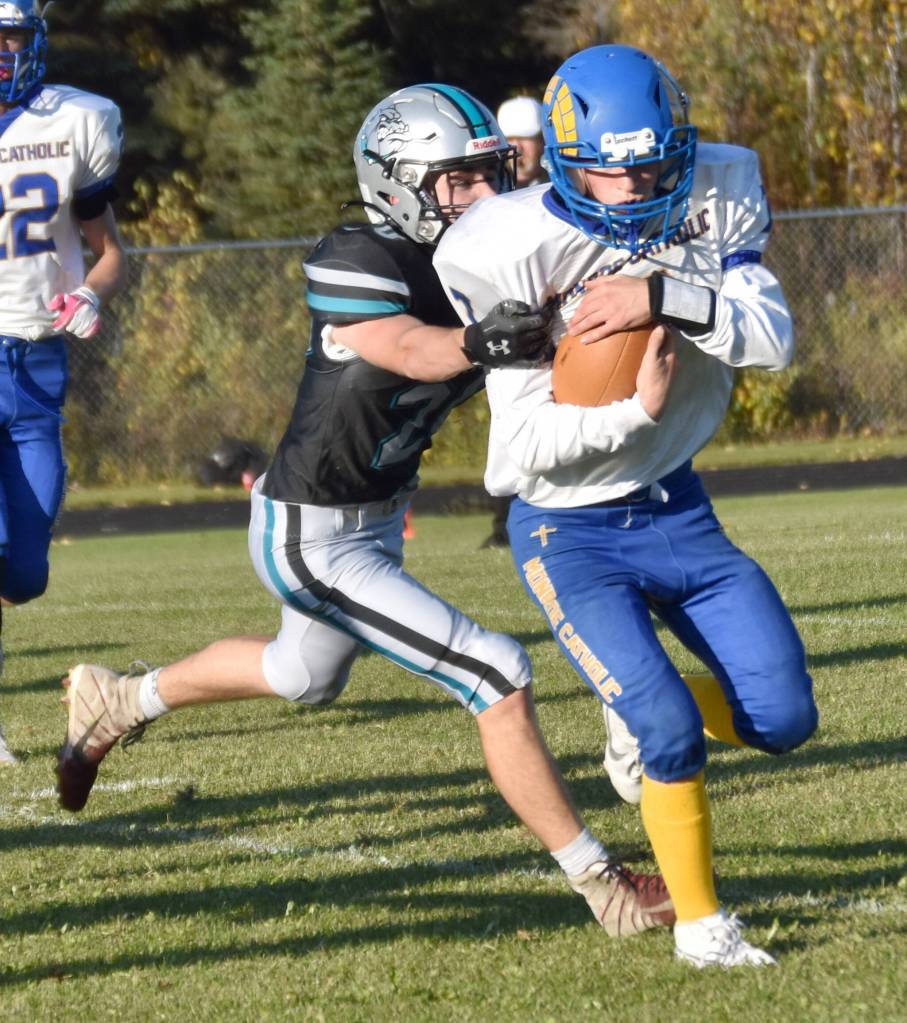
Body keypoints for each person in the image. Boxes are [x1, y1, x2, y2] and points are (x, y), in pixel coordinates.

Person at [56, 83, 675, 939]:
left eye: (489, 174)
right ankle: (604, 888)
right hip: (310, 531)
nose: (482, 198)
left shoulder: (489, 252)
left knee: (301, 674)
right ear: (396, 183)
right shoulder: (358, 253)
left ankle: (120, 701)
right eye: (456, 181)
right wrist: (478, 342)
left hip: (377, 515)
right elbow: (407, 348)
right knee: (496, 673)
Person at [434, 44, 818, 968]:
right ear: (566, 161)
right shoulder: (500, 245)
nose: (638, 183)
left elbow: (770, 337)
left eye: (653, 161)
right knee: (670, 731)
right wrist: (629, 411)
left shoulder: (719, 185)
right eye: (613, 167)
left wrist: (661, 292)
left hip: (679, 506)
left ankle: (638, 704)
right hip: (568, 527)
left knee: (784, 719)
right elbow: (513, 457)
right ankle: (700, 925)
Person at [0, 1, 126, 765]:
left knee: (25, 570)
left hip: (40, 362)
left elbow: (108, 250)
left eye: (8, 37)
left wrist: (91, 292)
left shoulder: (77, 120)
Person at [479, 95, 550, 549]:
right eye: (513, 141)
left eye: (529, 140)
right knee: (507, 419)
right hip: (502, 319)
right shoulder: (487, 193)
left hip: (551, 317)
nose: (521, 150)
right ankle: (504, 524)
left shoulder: (561, 189)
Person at [496, 96, 548, 188]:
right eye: (509, 139)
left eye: (525, 138)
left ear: (543, 140)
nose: (517, 148)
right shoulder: (492, 188)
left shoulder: (564, 183)